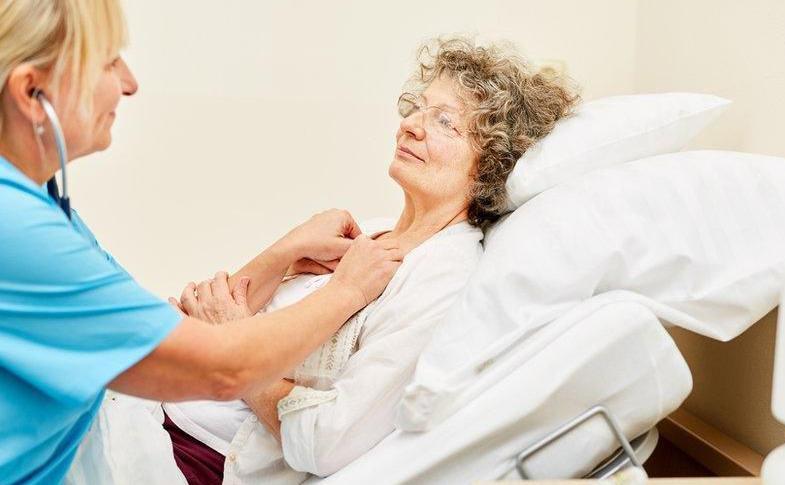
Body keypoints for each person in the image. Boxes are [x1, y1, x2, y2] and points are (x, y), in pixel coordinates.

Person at [0, 1, 401, 482]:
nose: (129, 83)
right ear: (30, 91)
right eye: (108, 62)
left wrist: (282, 254)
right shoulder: (15, 229)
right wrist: (348, 291)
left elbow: (164, 328)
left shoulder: (38, 202)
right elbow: (216, 370)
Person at [159, 37, 578, 484]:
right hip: (156, 407)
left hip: (191, 458)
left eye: (444, 121)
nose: (411, 126)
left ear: (493, 162)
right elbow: (197, 322)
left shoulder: (442, 275)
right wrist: (285, 250)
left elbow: (327, 441)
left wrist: (235, 350)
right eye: (417, 107)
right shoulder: (368, 232)